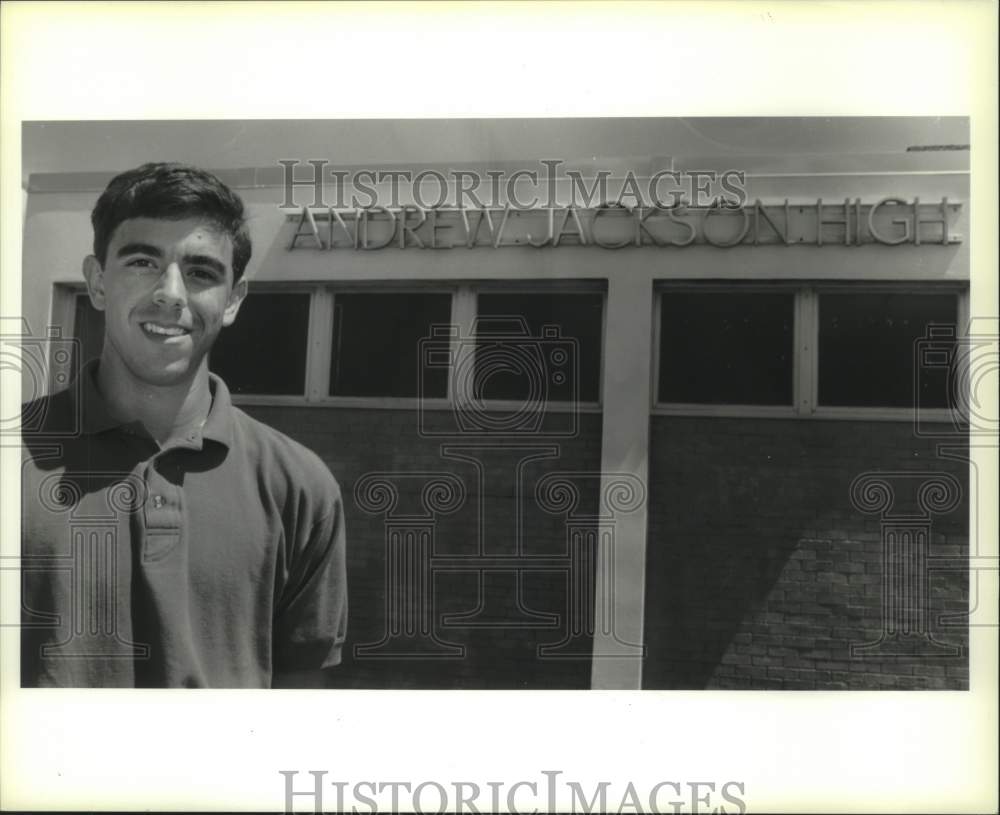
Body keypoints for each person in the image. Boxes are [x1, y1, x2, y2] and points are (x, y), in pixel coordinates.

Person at [21, 162, 347, 688]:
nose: (171, 293)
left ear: (233, 299)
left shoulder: (299, 486)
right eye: (143, 262)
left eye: (200, 272)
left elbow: (300, 710)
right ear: (97, 281)